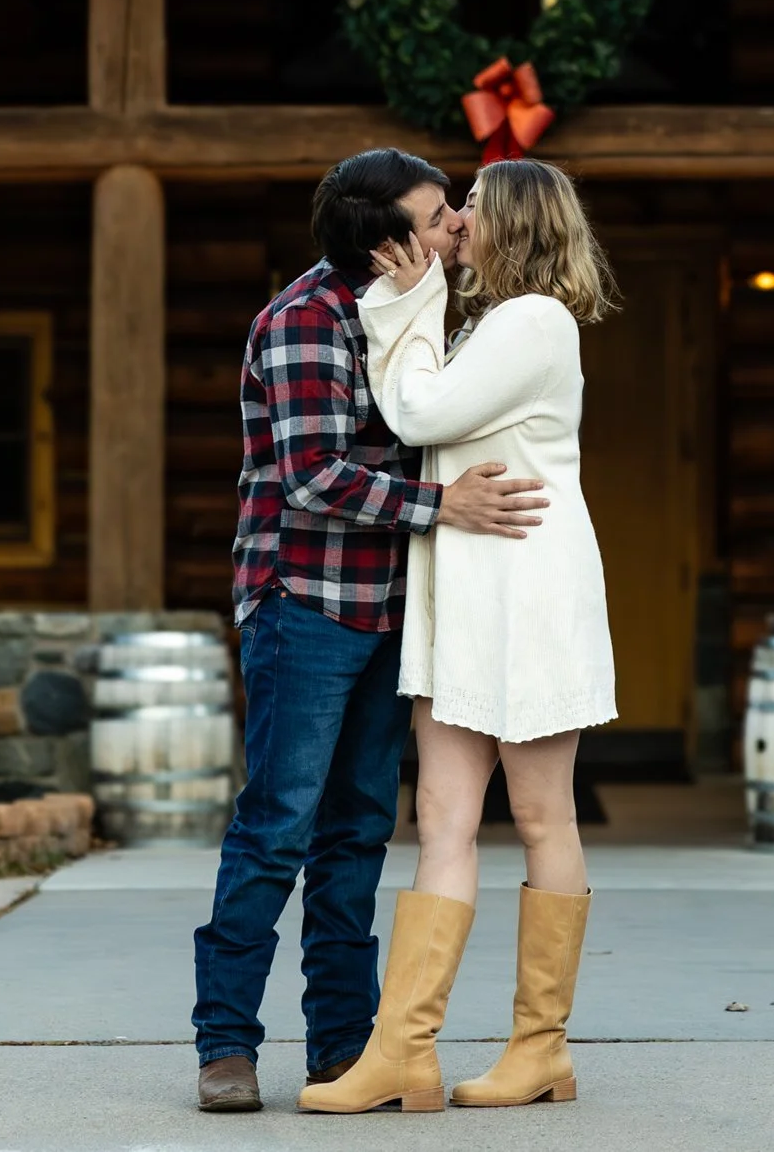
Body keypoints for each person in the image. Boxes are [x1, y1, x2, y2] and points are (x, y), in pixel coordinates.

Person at [193, 148, 553, 1114]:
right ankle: (225, 1044)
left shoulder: (425, 314)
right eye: (439, 217)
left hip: (393, 611)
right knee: (277, 828)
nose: (455, 230)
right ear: (387, 239)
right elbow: (313, 476)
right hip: (305, 604)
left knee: (356, 835)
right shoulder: (303, 322)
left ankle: (343, 1048)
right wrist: (444, 505)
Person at [299, 157, 618, 1115]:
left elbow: (419, 409)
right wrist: (420, 305)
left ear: (514, 220)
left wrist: (404, 300)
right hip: (466, 590)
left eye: (474, 203)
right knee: (440, 817)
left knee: (541, 817)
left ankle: (540, 1047)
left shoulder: (535, 321)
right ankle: (405, 1052)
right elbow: (428, 404)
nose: (459, 217)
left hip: (526, 587)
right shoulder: (487, 320)